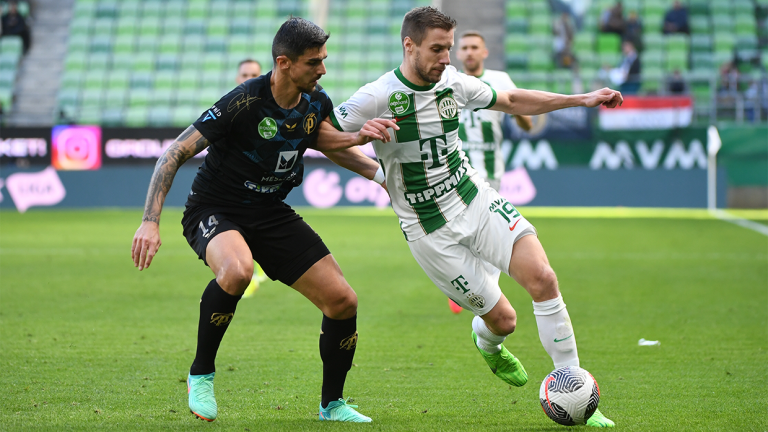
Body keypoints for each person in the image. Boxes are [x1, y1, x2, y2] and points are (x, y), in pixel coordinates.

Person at [325, 7, 620, 427]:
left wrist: (582, 98)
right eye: (437, 49)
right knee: (504, 321)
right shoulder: (377, 95)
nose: (447, 58)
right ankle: (489, 343)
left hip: (473, 198)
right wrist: (375, 170)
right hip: (428, 228)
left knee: (543, 278)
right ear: (409, 45)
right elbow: (323, 136)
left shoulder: (453, 83)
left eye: (449, 48)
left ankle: (575, 387)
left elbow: (512, 101)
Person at [131, 17, 396, 423]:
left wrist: (380, 175)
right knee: (238, 271)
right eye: (314, 62)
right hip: (215, 208)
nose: (323, 69)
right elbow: (174, 153)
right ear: (284, 63)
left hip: (270, 211)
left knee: (343, 301)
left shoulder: (315, 100)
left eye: (324, 59)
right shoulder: (242, 102)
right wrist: (150, 221)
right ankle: (201, 374)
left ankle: (332, 405)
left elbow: (323, 140)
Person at [453, 30, 534, 315]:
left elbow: (525, 120)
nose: (470, 52)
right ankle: (469, 286)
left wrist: (520, 115)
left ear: (484, 52)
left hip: (490, 172)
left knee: (487, 235)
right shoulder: (449, 81)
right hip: (456, 172)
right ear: (458, 53)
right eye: (465, 47)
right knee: (461, 231)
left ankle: (475, 291)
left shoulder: (500, 80)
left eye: (475, 47)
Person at [232, 57, 267, 299]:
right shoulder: (226, 109)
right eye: (245, 75)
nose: (249, 79)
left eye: (254, 75)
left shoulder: (272, 108)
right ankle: (250, 272)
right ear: (237, 78)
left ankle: (256, 270)